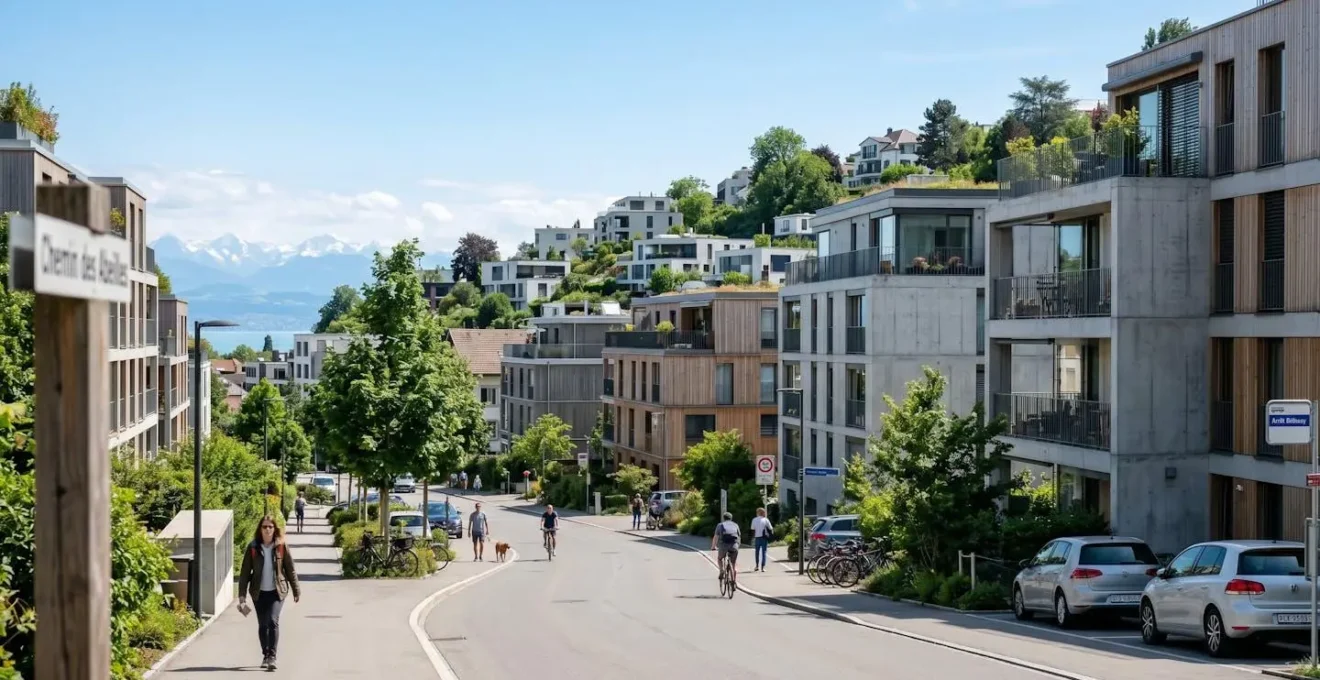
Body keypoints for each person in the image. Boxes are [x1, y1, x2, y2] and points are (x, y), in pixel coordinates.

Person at [237, 516, 300, 670]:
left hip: (277, 591)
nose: (267, 529)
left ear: (274, 529)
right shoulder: (253, 547)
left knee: (273, 621)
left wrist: (296, 590)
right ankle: (265, 654)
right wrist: (242, 595)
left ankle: (272, 656)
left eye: (270, 527)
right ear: (260, 529)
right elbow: (245, 573)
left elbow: (290, 569)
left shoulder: (281, 546)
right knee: (262, 625)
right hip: (258, 592)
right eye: (264, 527)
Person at [711, 512, 740, 578]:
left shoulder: (720, 525)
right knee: (733, 563)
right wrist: (737, 545)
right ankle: (734, 582)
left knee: (720, 559)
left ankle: (721, 570)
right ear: (731, 518)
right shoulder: (735, 525)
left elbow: (716, 537)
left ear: (723, 518)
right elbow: (739, 536)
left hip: (723, 545)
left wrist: (713, 547)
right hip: (734, 545)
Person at [751, 507, 773, 572]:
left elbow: (752, 529)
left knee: (757, 552)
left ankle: (757, 566)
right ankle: (763, 567)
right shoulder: (766, 520)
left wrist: (753, 537)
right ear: (763, 513)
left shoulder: (754, 520)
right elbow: (770, 528)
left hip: (757, 538)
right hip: (764, 538)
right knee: (764, 552)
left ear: (757, 513)